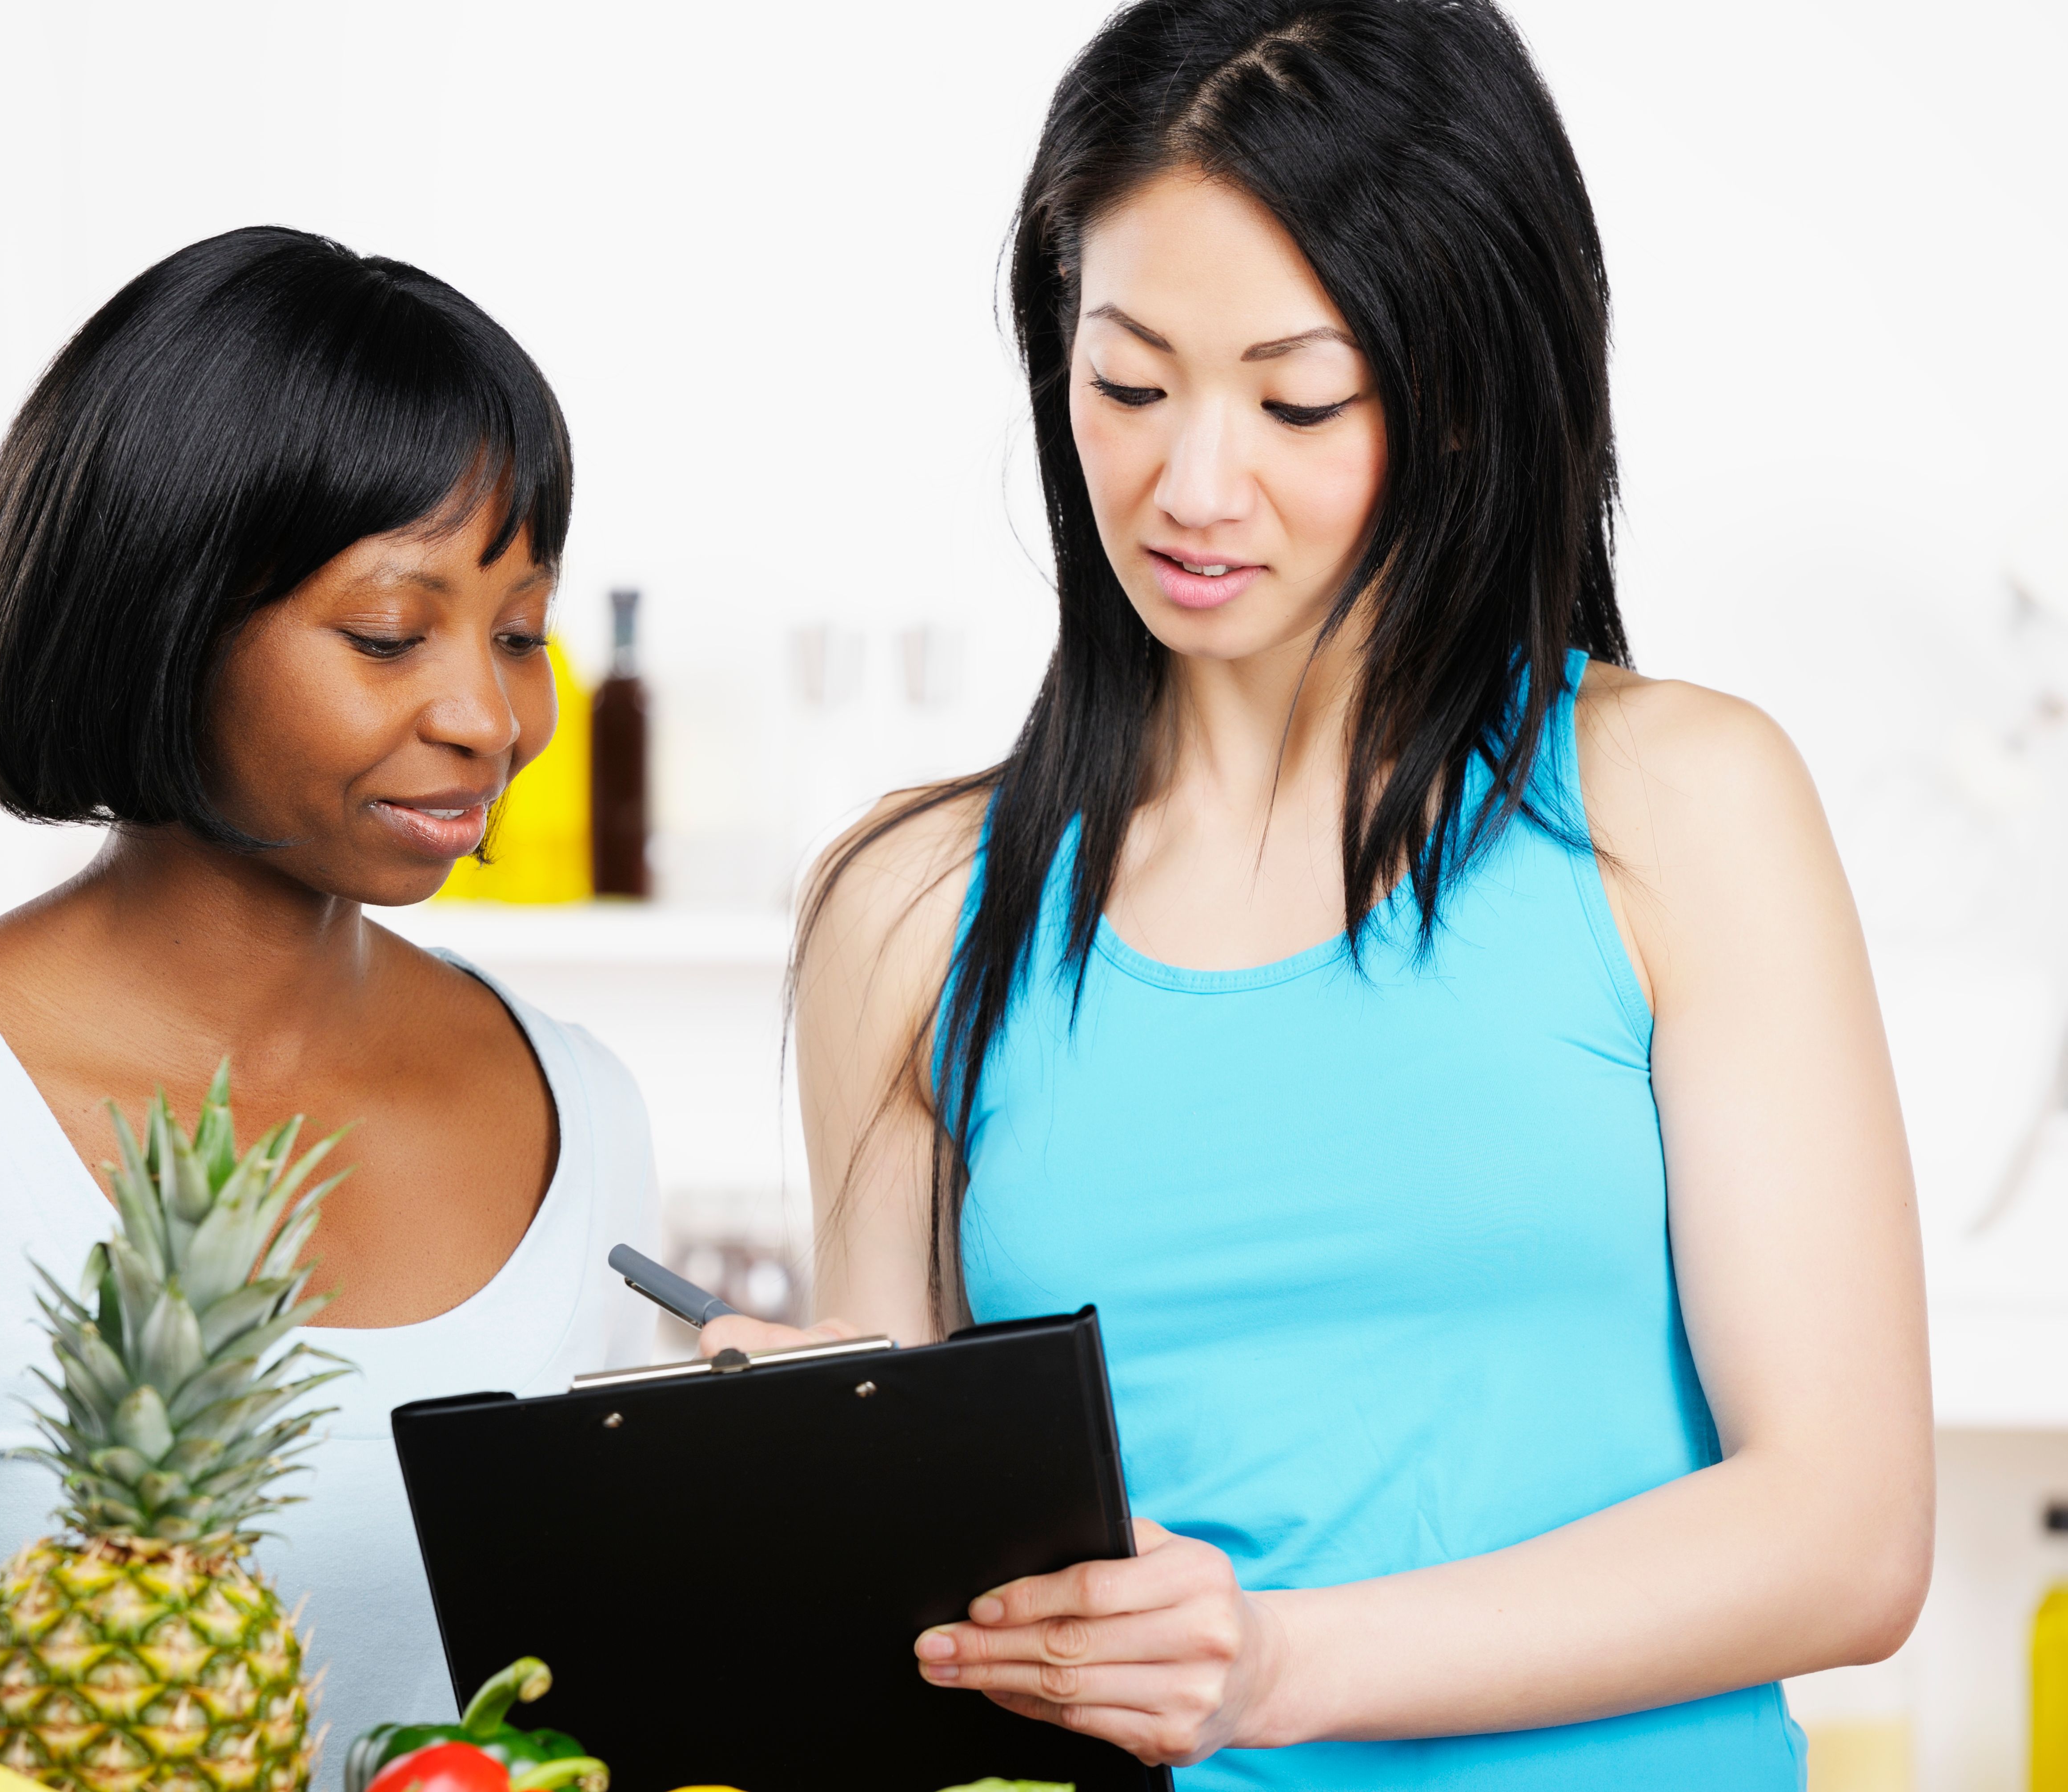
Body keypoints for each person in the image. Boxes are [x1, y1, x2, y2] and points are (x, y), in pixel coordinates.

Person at [701, 1, 1930, 1784]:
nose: (1193, 487)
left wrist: (1280, 1668)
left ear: (1456, 398)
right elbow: (927, 1658)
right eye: (1128, 386)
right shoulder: (912, 907)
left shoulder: (1682, 806)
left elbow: (1849, 1532)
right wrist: (794, 1474)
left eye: (1297, 400)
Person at [0, 228, 655, 1786]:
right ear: (164, 615)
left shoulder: (581, 1110)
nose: (487, 718)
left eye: (518, 633)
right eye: (389, 633)